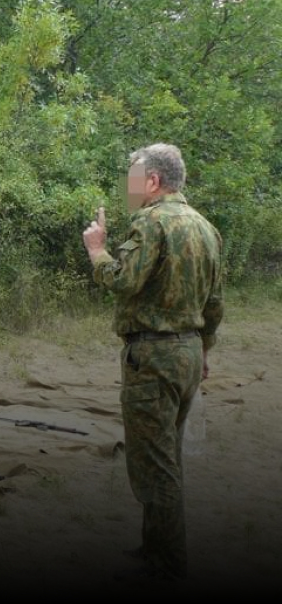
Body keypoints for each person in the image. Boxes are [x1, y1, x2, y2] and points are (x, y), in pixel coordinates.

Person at [83, 143, 223, 582]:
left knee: (154, 465)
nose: (128, 187)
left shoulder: (152, 222)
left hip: (154, 356)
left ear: (153, 181)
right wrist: (203, 351)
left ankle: (167, 565)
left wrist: (97, 250)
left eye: (132, 177)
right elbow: (215, 302)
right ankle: (153, 549)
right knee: (165, 455)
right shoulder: (205, 227)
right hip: (187, 352)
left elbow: (124, 280)